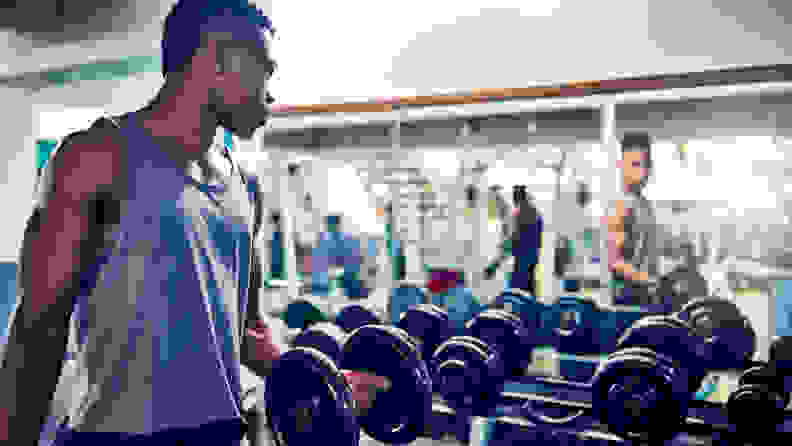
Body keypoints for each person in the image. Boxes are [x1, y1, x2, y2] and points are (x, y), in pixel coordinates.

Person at [0, 2, 388, 445]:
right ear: (219, 60)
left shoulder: (246, 188)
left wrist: (327, 382)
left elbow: (249, 332)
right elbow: (37, 330)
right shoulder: (95, 159)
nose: (271, 94)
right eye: (266, 68)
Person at [606, 132, 660, 306]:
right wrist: (651, 281)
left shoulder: (645, 204)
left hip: (646, 296)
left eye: (646, 165)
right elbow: (615, 261)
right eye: (635, 165)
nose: (642, 172)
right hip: (628, 299)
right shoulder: (620, 206)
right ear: (621, 165)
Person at [483, 185, 544, 297]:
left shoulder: (522, 213)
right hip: (531, 263)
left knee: (516, 295)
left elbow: (514, 240)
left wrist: (494, 265)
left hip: (523, 265)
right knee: (528, 295)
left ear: (516, 198)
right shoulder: (535, 213)